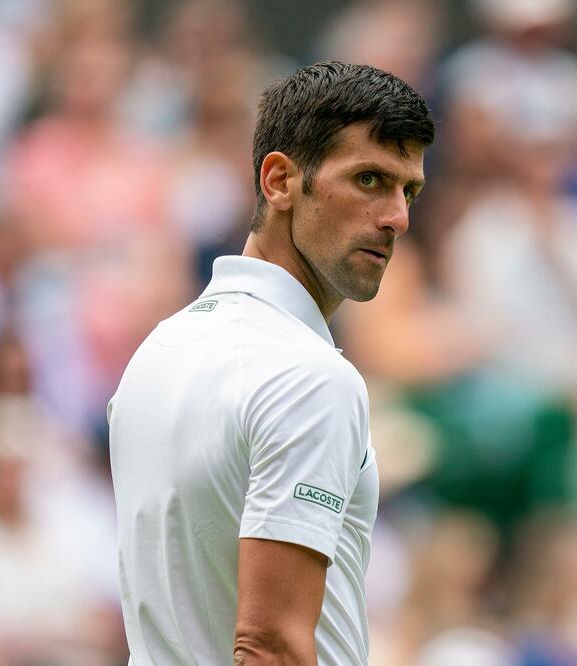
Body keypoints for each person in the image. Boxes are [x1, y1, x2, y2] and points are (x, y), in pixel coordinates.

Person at [107, 61, 434, 666]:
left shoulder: (157, 351)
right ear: (280, 180)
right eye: (369, 179)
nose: (398, 218)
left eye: (407, 191)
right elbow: (269, 645)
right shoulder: (312, 379)